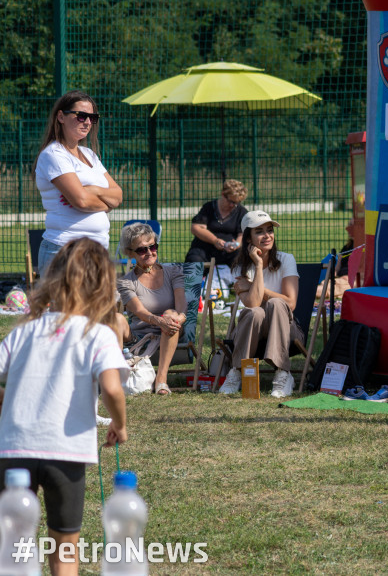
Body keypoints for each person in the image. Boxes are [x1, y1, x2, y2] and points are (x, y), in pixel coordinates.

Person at [0, 238, 128, 576]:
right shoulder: (97, 334)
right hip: (66, 453)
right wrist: (120, 424)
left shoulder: (24, 330)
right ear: (104, 285)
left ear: (52, 278)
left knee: (13, 547)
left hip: (13, 450)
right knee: (65, 548)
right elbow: (113, 389)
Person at [34, 90, 123, 276]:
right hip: (65, 252)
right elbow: (81, 201)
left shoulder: (90, 155)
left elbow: (118, 195)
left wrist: (91, 190)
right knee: (65, 307)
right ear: (61, 116)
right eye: (81, 116)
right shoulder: (54, 154)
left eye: (92, 117)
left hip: (97, 252)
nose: (88, 122)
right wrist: (102, 200)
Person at [219, 210, 301, 399]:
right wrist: (257, 265)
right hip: (253, 328)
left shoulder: (286, 259)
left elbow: (291, 302)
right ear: (248, 238)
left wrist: (254, 286)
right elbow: (253, 303)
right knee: (254, 312)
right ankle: (237, 372)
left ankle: (283, 373)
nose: (267, 236)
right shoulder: (241, 267)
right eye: (259, 231)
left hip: (286, 329)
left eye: (269, 230)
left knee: (276, 303)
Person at [116, 222, 187, 396]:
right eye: (141, 250)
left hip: (172, 330)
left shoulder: (173, 271)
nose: (149, 253)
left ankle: (161, 380)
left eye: (152, 246)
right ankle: (117, 376)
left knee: (172, 315)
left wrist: (177, 318)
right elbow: (139, 312)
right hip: (138, 336)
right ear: (130, 253)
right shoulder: (126, 281)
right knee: (116, 319)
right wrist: (159, 320)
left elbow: (181, 303)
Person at [185, 179, 248, 263]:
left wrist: (236, 244)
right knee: (194, 260)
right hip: (204, 249)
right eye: (231, 201)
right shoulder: (209, 207)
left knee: (242, 259)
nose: (232, 205)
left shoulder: (241, 212)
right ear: (223, 194)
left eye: (236, 203)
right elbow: (196, 228)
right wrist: (215, 241)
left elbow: (243, 234)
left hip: (230, 252)